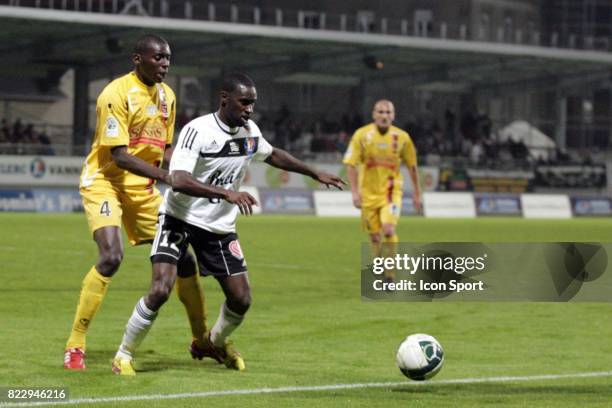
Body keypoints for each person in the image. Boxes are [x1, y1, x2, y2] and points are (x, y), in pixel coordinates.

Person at [111, 72, 345, 375]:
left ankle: (210, 342)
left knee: (241, 298)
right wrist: (225, 192)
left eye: (253, 103)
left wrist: (314, 173)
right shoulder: (198, 130)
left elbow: (272, 154)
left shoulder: (250, 131)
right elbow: (178, 179)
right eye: (244, 102)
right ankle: (123, 355)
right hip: (179, 219)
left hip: (219, 226)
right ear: (225, 99)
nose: (249, 109)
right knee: (160, 289)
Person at [64, 34, 209, 370]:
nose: (165, 64)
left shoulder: (167, 97)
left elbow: (167, 147)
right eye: (158, 58)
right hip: (106, 181)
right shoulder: (114, 94)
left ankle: (202, 339)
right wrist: (168, 178)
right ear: (137, 59)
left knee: (184, 260)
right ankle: (75, 343)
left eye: (168, 58)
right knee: (112, 256)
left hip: (142, 187)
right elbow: (120, 156)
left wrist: (187, 168)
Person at [343, 100, 422, 282]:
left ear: (393, 116)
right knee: (375, 237)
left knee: (388, 229)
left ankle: (390, 276)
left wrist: (418, 193)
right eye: (381, 112)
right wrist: (354, 193)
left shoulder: (402, 138)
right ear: (374, 114)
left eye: (388, 112)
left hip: (391, 192)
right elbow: (350, 164)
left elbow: (412, 166)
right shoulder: (362, 135)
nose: (384, 115)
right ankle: (380, 265)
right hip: (368, 195)